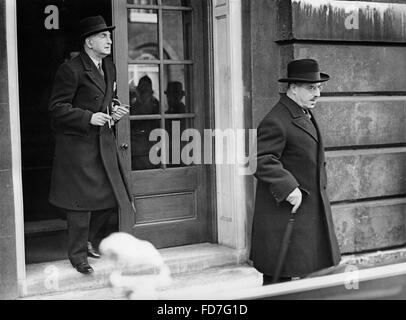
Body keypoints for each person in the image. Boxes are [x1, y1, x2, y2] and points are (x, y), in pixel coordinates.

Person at [48, 16, 134, 274]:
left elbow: (110, 98)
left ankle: (86, 240)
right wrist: (89, 117)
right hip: (77, 148)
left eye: (108, 36)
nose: (109, 40)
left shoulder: (109, 66)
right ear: (89, 42)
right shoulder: (71, 69)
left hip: (103, 144)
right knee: (80, 204)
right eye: (103, 36)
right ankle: (77, 256)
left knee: (111, 197)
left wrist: (115, 110)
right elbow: (56, 108)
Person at [250, 59, 341, 285]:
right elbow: (260, 159)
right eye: (311, 88)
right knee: (278, 279)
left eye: (319, 87)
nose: (317, 93)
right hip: (284, 214)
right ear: (292, 87)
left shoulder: (301, 111)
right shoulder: (276, 119)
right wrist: (288, 186)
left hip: (307, 213)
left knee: (308, 275)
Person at [130, 75, 160, 170]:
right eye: (141, 91)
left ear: (151, 92)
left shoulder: (155, 105)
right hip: (137, 149)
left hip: (152, 146)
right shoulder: (133, 105)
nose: (143, 94)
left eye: (145, 91)